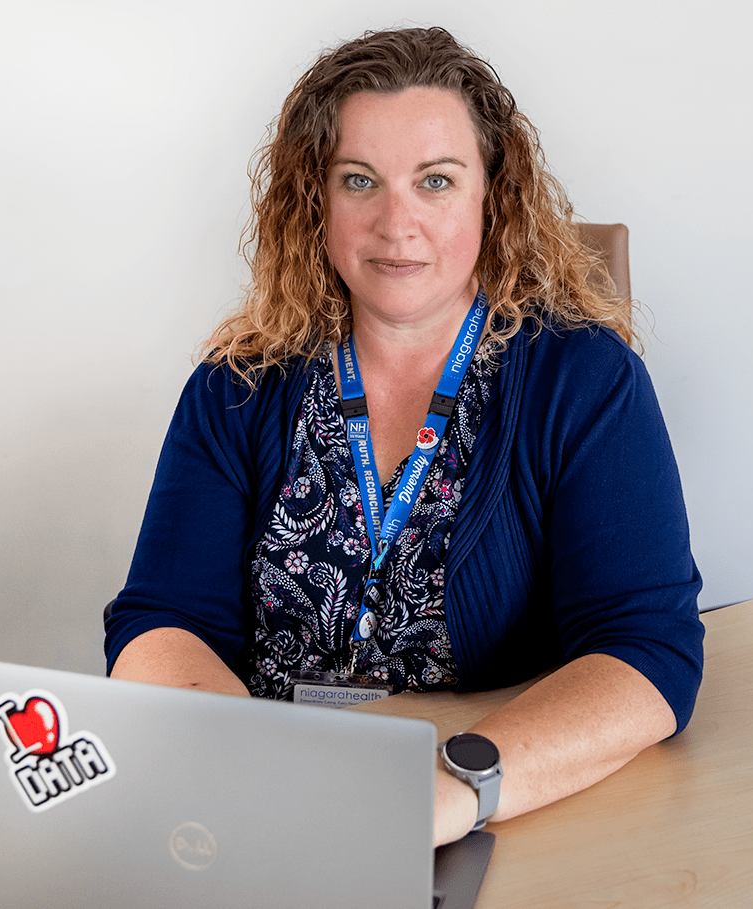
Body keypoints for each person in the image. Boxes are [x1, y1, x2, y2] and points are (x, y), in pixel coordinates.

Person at [105, 26, 703, 847]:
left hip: (491, 802)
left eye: (435, 181)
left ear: (492, 196)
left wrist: (453, 789)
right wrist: (249, 772)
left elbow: (646, 654)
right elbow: (158, 620)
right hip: (270, 809)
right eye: (360, 181)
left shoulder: (584, 380)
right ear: (315, 200)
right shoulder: (238, 384)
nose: (397, 223)